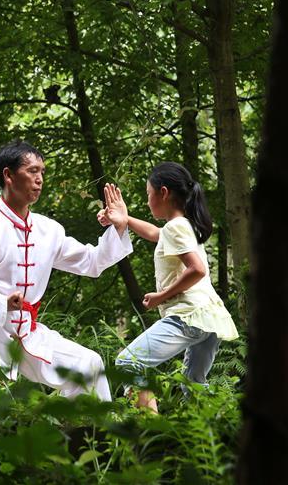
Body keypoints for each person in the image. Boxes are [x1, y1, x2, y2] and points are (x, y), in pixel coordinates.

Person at [0, 140, 132, 400]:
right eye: (32, 171)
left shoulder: (49, 230)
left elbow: (91, 262)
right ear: (8, 175)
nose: (40, 179)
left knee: (89, 366)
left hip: (26, 332)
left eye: (42, 172)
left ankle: (81, 438)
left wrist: (118, 227)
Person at [98, 162, 238, 412]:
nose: (148, 200)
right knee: (194, 385)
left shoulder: (176, 227)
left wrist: (161, 296)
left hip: (188, 315)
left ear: (163, 193)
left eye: (148, 194)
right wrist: (125, 218)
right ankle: (208, 438)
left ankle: (152, 431)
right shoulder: (182, 225)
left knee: (129, 362)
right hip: (210, 319)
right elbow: (155, 233)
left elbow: (197, 270)